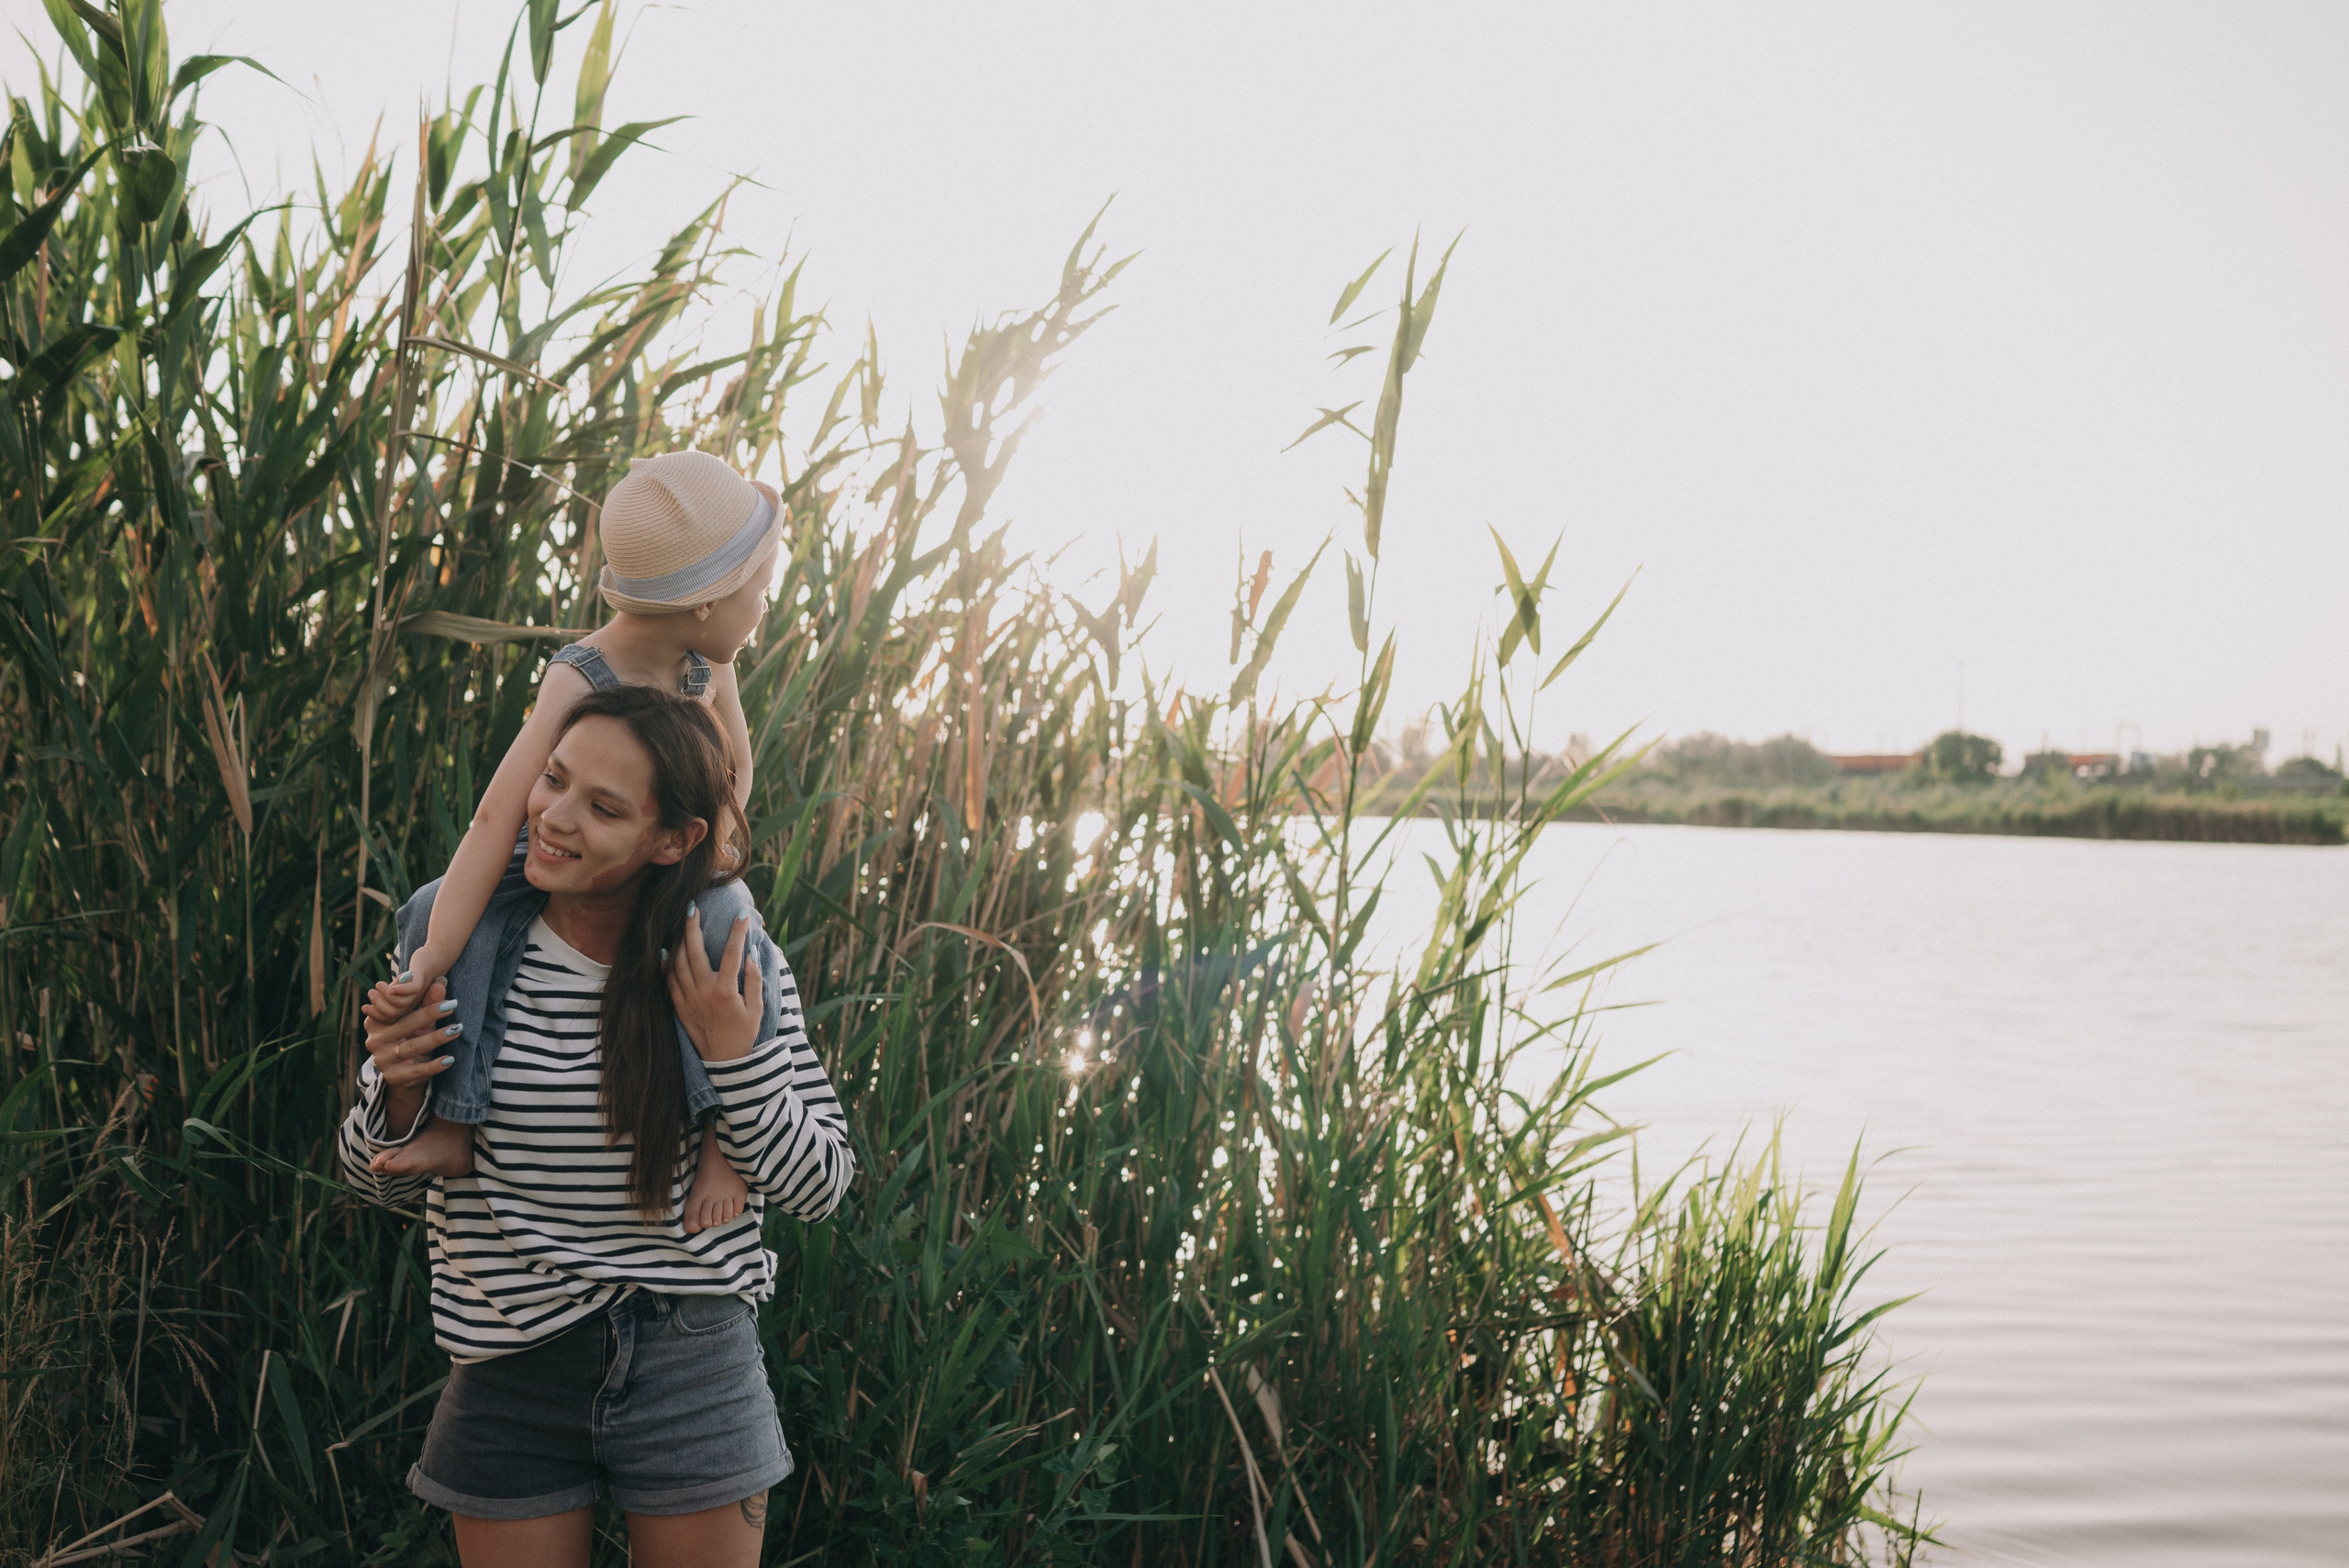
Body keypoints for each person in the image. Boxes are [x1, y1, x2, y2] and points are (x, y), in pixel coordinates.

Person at [339, 684, 853, 1565]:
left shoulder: (726, 961)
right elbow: (369, 1172)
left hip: (691, 1356)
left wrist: (736, 1060)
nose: (553, 817)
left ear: (675, 839)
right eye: (553, 780)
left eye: (603, 806)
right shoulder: (466, 953)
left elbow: (822, 1183)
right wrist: (395, 1086)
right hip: (509, 1357)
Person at [371, 450, 784, 1234]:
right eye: (759, 589)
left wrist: (708, 861)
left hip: (674, 851)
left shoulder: (708, 657)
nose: (764, 606)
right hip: (557, 856)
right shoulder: (579, 677)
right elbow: (499, 819)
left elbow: (735, 771)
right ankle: (456, 1116)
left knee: (734, 922)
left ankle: (730, 1142)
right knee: (433, 912)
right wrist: (429, 957)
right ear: (705, 602)